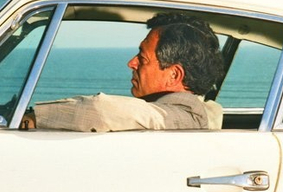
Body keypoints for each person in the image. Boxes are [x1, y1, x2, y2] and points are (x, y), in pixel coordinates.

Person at [22, 13, 224, 132]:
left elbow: (100, 110)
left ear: (174, 75)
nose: (131, 63)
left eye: (142, 59)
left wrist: (32, 118)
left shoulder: (185, 118)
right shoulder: (203, 111)